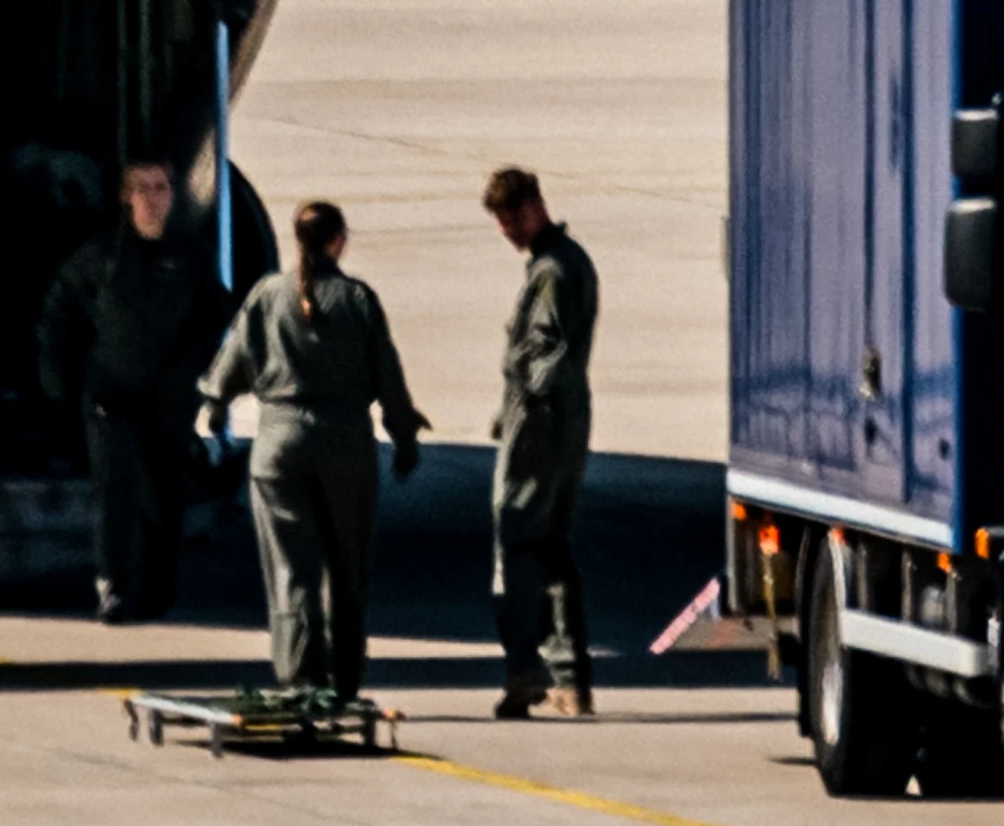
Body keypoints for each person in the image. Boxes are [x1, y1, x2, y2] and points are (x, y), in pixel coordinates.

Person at [198, 199, 426, 705]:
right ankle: (343, 678)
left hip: (278, 445)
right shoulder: (357, 300)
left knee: (291, 567)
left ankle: (300, 676)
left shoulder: (267, 294)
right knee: (347, 567)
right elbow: (388, 377)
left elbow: (229, 364)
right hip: (345, 445)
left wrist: (215, 407)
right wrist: (404, 438)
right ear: (338, 241)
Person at [37, 157, 229, 623]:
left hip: (170, 399)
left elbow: (218, 318)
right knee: (114, 494)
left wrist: (195, 370)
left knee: (163, 495)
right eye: (143, 188)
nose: (153, 198)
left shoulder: (191, 258)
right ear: (127, 198)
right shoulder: (101, 256)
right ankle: (115, 587)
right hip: (112, 394)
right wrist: (62, 381)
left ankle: (159, 586)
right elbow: (59, 313)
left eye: (161, 187)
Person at [482, 164, 602, 719]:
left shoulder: (553, 271)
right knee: (554, 549)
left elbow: (545, 356)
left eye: (510, 220)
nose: (505, 231)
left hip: (542, 427)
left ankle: (524, 671)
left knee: (517, 545)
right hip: (562, 422)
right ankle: (570, 681)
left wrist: (524, 412)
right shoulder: (563, 262)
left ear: (532, 208)